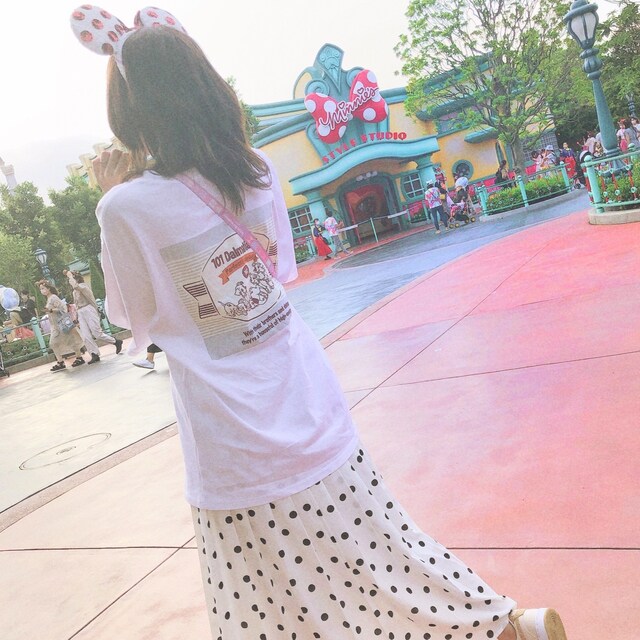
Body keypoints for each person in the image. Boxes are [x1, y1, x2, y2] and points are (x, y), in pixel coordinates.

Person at [73, 7, 566, 640]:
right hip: (307, 393)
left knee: (268, 599)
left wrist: (114, 194)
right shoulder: (255, 168)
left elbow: (131, 319)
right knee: (383, 550)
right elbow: (280, 267)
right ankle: (501, 624)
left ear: (130, 106)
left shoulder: (125, 207)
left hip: (232, 434)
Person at [65, 270, 123, 363]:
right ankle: (94, 354)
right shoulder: (74, 291)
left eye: (72, 279)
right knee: (85, 336)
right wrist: (76, 317)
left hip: (89, 309)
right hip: (80, 312)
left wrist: (70, 276)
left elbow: (76, 286)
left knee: (97, 333)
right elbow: (76, 304)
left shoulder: (83, 286)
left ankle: (115, 341)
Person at [39, 279, 86, 372]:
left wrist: (51, 310)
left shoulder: (53, 297)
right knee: (56, 343)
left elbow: (62, 308)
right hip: (55, 326)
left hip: (61, 324)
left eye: (43, 288)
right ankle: (62, 361)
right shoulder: (49, 298)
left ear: (48, 288)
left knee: (68, 341)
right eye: (41, 289)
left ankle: (76, 358)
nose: (42, 291)